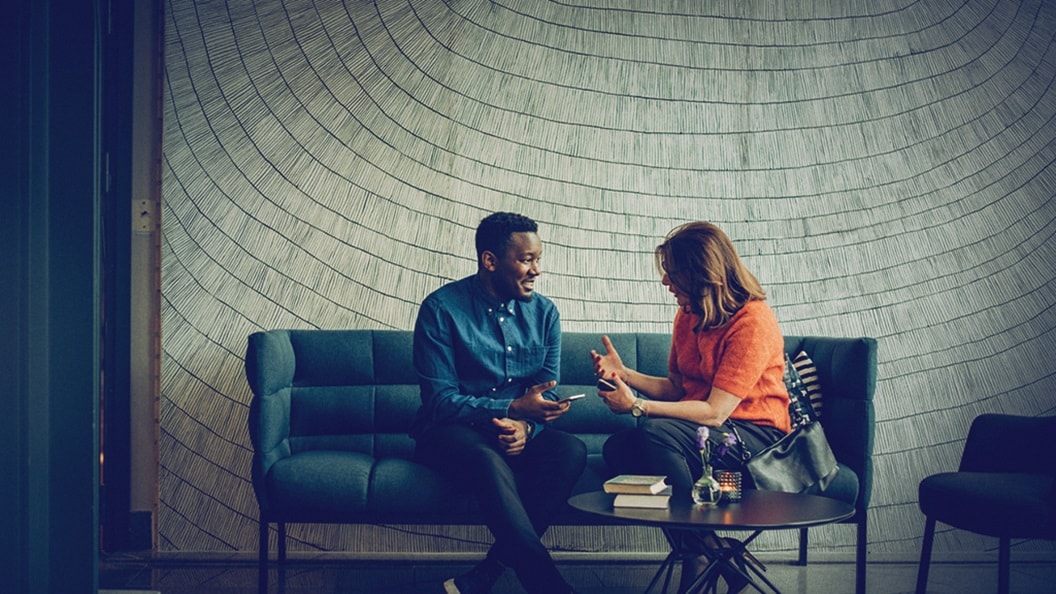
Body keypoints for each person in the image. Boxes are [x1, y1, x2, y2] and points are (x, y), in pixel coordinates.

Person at [591, 221, 791, 593]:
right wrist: (626, 374)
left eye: (673, 272)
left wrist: (637, 407)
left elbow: (715, 411)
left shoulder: (753, 322)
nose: (666, 281)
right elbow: (677, 389)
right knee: (620, 450)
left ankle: (696, 560)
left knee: (652, 433)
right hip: (704, 435)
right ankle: (712, 551)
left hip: (755, 440)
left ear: (703, 274)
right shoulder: (688, 316)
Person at [411, 212, 586, 594]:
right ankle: (550, 587)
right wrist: (510, 410)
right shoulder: (441, 310)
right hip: (450, 433)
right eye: (526, 260)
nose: (536, 270)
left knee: (571, 450)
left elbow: (547, 390)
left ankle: (484, 576)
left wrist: (527, 425)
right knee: (486, 459)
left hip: (516, 432)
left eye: (538, 259)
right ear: (490, 261)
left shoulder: (545, 313)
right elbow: (440, 402)